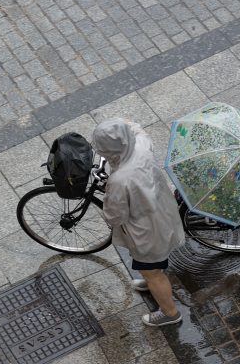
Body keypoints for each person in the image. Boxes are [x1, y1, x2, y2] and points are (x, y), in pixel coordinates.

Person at [92, 118, 185, 327]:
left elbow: (115, 216)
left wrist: (107, 200)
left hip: (147, 232)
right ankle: (153, 278)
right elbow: (136, 128)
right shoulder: (142, 145)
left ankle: (169, 312)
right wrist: (120, 125)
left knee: (151, 271)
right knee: (155, 265)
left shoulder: (120, 180)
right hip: (163, 212)